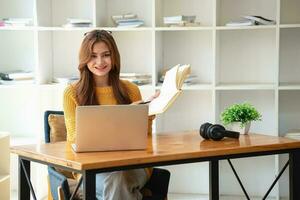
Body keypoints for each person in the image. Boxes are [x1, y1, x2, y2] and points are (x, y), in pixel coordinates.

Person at [63, 29, 158, 200]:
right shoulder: (72, 93)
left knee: (118, 178)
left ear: (114, 57)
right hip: (92, 168)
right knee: (116, 182)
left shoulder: (131, 90)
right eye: (93, 56)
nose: (100, 61)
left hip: (133, 165)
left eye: (106, 54)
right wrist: (125, 117)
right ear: (84, 59)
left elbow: (145, 138)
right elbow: (75, 138)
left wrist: (147, 116)